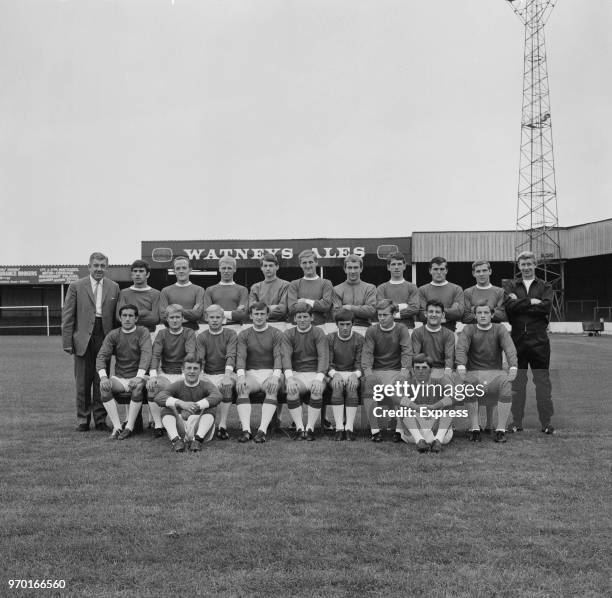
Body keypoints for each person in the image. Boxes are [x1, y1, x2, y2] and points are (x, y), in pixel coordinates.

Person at [61, 251, 119, 431]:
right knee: (82, 382)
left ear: (106, 267)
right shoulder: (76, 286)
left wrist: (116, 343)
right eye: (96, 265)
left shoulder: (114, 286)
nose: (99, 269)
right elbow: (68, 315)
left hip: (105, 336)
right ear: (89, 266)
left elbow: (117, 318)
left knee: (101, 380)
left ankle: (101, 419)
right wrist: (67, 342)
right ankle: (83, 420)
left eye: (102, 266)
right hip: (83, 338)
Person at [504, 251, 555, 434]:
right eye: (523, 264)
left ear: (535, 265)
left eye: (529, 264)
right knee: (517, 383)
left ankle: (546, 423)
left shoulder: (545, 285)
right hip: (517, 342)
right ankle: (516, 422)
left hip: (539, 342)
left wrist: (520, 303)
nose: (526, 268)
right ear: (518, 266)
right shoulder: (511, 285)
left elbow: (546, 307)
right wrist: (531, 302)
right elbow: (509, 308)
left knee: (542, 382)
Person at [455, 302, 518, 443]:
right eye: (479, 313)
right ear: (475, 315)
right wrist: (461, 366)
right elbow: (461, 348)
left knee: (506, 384)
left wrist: (513, 366)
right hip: (474, 373)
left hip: (495, 373)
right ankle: (475, 428)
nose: (483, 316)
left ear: (492, 314)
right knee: (468, 384)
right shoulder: (469, 329)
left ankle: (500, 430)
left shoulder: (500, 328)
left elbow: (509, 348)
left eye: (486, 313)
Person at [462, 260, 507, 433]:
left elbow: (502, 313)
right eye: (478, 271)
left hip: (493, 336)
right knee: (476, 378)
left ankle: (489, 423)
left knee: (492, 378)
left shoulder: (499, 291)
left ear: (490, 271)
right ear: (473, 273)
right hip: (474, 337)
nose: (481, 274)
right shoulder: (468, 292)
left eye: (484, 270)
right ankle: (476, 424)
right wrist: (485, 312)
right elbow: (465, 316)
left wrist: (480, 312)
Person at [96, 304, 152, 439]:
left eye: (131, 316)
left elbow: (146, 354)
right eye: (124, 316)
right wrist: (103, 377)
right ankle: (117, 427)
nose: (127, 319)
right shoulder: (113, 334)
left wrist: (139, 377)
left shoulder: (143, 332)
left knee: (138, 388)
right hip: (120, 377)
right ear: (120, 318)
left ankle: (129, 427)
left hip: (140, 376)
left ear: (136, 318)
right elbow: (101, 356)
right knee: (104, 388)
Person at [362, 300, 412, 442]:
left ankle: (399, 429)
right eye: (379, 315)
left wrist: (404, 371)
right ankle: (375, 430)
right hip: (377, 370)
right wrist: (368, 372)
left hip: (396, 370)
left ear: (394, 314)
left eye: (385, 315)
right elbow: (367, 353)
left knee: (400, 387)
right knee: (368, 386)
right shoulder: (372, 330)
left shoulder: (401, 329)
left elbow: (407, 351)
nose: (381, 318)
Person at [235, 302, 285, 443]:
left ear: (267, 315)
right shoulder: (244, 334)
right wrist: (240, 377)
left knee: (271, 387)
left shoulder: (276, 333)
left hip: (271, 373)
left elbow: (278, 357)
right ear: (251, 316)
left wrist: (275, 377)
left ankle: (262, 431)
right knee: (242, 387)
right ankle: (246, 430)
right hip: (252, 373)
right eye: (256, 314)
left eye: (262, 314)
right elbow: (241, 357)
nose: (259, 317)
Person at [147, 304, 197, 437]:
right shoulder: (162, 334)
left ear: (183, 319)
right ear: (167, 319)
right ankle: (158, 425)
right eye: (172, 317)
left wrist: (184, 376)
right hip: (166, 374)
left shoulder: (189, 333)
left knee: (190, 388)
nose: (175, 320)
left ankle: (185, 423)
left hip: (183, 373)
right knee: (153, 386)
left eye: (177, 317)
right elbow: (156, 355)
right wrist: (153, 375)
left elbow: (190, 353)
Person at [154, 355, 223, 452]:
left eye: (195, 368)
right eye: (189, 368)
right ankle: (176, 441)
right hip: (181, 426)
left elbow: (218, 396)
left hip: (200, 426)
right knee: (167, 407)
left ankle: (198, 441)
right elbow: (159, 397)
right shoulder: (177, 385)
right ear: (183, 369)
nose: (192, 371)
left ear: (200, 370)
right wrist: (181, 403)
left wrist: (195, 406)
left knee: (211, 407)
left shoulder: (206, 385)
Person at [283, 304, 330, 440]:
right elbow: (285, 357)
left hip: (316, 373)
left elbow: (323, 356)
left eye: (305, 316)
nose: (302, 320)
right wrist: (290, 378)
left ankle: (309, 428)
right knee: (291, 390)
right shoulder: (288, 334)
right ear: (295, 319)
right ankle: (299, 428)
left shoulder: (318, 333)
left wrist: (319, 378)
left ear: (312, 318)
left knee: (317, 390)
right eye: (299, 317)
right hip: (297, 374)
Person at [397, 354, 455, 453]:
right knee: (402, 406)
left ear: (431, 370)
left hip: (437, 429)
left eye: (424, 367)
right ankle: (420, 441)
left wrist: (434, 407)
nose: (420, 371)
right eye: (417, 368)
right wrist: (416, 407)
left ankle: (438, 442)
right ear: (413, 369)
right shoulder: (407, 383)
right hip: (414, 431)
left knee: (449, 405)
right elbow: (396, 395)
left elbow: (454, 395)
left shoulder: (440, 381)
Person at [195, 304, 237, 440]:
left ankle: (222, 426)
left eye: (218, 317)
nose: (214, 320)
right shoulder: (201, 336)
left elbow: (231, 356)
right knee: (198, 386)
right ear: (207, 318)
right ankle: (199, 426)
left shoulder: (231, 334)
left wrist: (227, 376)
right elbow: (200, 358)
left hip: (225, 372)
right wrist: (200, 375)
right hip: (207, 374)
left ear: (223, 319)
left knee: (227, 385)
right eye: (211, 317)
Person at [327, 309, 364, 441]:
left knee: (351, 388)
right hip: (335, 373)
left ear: (353, 324)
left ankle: (349, 428)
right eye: (342, 324)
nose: (345, 327)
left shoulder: (359, 339)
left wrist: (355, 375)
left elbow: (361, 363)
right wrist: (334, 374)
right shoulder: (330, 338)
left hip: (352, 373)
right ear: (336, 324)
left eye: (348, 324)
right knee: (337, 387)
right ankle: (339, 428)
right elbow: (328, 363)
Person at [332, 254, 377, 335]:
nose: (353, 271)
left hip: (365, 328)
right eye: (349, 268)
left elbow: (371, 311)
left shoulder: (370, 288)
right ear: (345, 269)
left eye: (356, 267)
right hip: (344, 329)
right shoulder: (336, 289)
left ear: (361, 269)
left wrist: (349, 307)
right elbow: (336, 314)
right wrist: (361, 310)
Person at [287, 249, 334, 329]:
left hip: (320, 327)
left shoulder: (326, 283)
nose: (308, 266)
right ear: (300, 264)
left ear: (316, 262)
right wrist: (317, 304)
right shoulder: (294, 284)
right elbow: (292, 308)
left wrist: (305, 301)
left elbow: (326, 306)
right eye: (304, 263)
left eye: (310, 262)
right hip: (299, 328)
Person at [410, 300, 455, 379]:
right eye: (431, 311)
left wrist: (447, 374)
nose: (434, 315)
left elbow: (449, 357)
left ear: (443, 315)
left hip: (441, 369)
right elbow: (415, 356)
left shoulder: (449, 334)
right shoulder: (417, 333)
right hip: (423, 367)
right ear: (425, 314)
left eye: (437, 312)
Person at [159, 255, 205, 331]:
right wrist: (189, 314)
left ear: (190, 270)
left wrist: (174, 312)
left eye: (184, 268)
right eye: (178, 268)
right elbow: (163, 316)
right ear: (174, 271)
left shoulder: (199, 290)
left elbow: (198, 314)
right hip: (170, 334)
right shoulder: (165, 291)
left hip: (192, 332)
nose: (181, 271)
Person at [418, 257, 464, 331]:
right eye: (435, 269)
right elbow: (421, 315)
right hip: (427, 332)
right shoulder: (422, 290)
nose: (439, 272)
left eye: (442, 269)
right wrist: (448, 313)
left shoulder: (456, 289)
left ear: (446, 270)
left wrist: (431, 312)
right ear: (430, 271)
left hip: (450, 331)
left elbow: (458, 313)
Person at [203, 256, 248, 331]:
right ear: (219, 269)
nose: (226, 271)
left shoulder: (242, 290)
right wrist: (233, 314)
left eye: (229, 268)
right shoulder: (209, 290)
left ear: (235, 269)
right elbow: (206, 315)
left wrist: (217, 312)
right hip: (215, 329)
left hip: (236, 329)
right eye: (224, 268)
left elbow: (243, 315)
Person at [116, 260, 161, 335]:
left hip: (149, 334)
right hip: (128, 334)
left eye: (141, 271)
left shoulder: (156, 294)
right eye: (135, 271)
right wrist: (146, 312)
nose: (137, 274)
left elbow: (155, 319)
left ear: (147, 274)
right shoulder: (124, 293)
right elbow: (119, 317)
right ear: (131, 274)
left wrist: (130, 315)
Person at [376, 252, 420, 328]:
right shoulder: (381, 288)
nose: (396, 267)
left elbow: (415, 309)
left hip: (407, 327)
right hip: (387, 328)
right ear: (388, 267)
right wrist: (404, 305)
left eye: (399, 264)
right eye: (393, 264)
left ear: (404, 266)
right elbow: (382, 309)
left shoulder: (412, 287)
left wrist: (393, 312)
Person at [249, 253, 290, 331]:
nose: (268, 268)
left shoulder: (286, 285)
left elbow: (282, 310)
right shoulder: (255, 287)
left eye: (271, 265)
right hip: (260, 326)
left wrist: (261, 310)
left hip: (280, 325)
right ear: (261, 268)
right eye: (265, 266)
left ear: (277, 267)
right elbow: (251, 309)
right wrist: (272, 307)